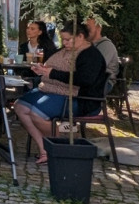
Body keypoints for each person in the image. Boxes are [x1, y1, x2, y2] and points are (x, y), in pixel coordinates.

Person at [14, 21, 107, 165]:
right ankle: (44, 150)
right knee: (20, 106)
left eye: (68, 39)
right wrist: (43, 70)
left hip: (81, 99)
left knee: (36, 113)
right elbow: (52, 68)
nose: (64, 43)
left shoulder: (91, 55)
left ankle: (60, 147)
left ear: (81, 36)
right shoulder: (64, 51)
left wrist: (52, 73)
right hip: (52, 90)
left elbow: (83, 80)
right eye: (63, 39)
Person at [86, 17, 120, 94]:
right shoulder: (88, 45)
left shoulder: (106, 46)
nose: (85, 31)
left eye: (88, 27)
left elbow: (95, 68)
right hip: (90, 81)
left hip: (103, 83)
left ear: (98, 28)